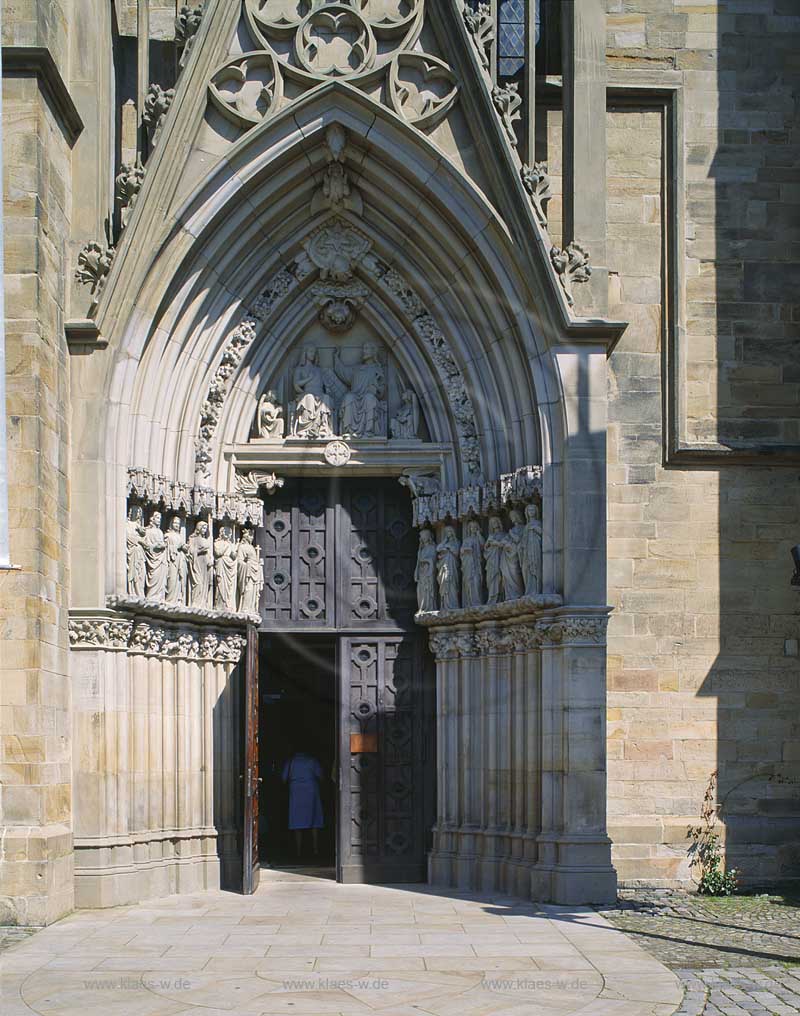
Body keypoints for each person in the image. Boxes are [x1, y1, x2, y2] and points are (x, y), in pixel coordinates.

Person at [282, 747, 324, 858]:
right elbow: (321, 776)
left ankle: (298, 851)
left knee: (297, 821)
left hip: (296, 792)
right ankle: (316, 849)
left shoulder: (291, 761)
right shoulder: (312, 760)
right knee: (314, 820)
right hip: (311, 791)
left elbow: (283, 778)